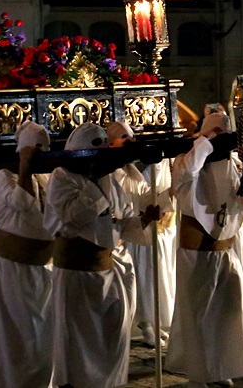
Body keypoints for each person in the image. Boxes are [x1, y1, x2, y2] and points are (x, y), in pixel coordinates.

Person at [46, 122, 159, 388]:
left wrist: (144, 220)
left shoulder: (109, 179)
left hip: (108, 271)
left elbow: (121, 221)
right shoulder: (62, 176)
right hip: (76, 274)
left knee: (113, 336)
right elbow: (73, 216)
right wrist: (94, 183)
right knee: (79, 342)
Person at [166, 112, 243, 388]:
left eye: (224, 133)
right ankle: (199, 372)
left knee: (226, 310)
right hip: (197, 247)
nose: (220, 138)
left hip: (225, 247)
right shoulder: (187, 159)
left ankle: (220, 366)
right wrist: (204, 144)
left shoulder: (238, 164)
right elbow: (183, 178)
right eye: (214, 132)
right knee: (199, 310)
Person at [0, 121, 56, 388]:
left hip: (43, 266)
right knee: (15, 331)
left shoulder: (50, 176)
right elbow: (22, 203)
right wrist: (25, 166)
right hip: (12, 268)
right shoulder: (6, 175)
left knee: (41, 331)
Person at [109, 121, 176, 350]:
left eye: (131, 139)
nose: (129, 144)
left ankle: (151, 324)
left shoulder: (132, 170)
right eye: (123, 139)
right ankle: (143, 326)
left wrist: (168, 195)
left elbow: (146, 196)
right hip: (122, 237)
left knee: (148, 282)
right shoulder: (110, 172)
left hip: (139, 230)